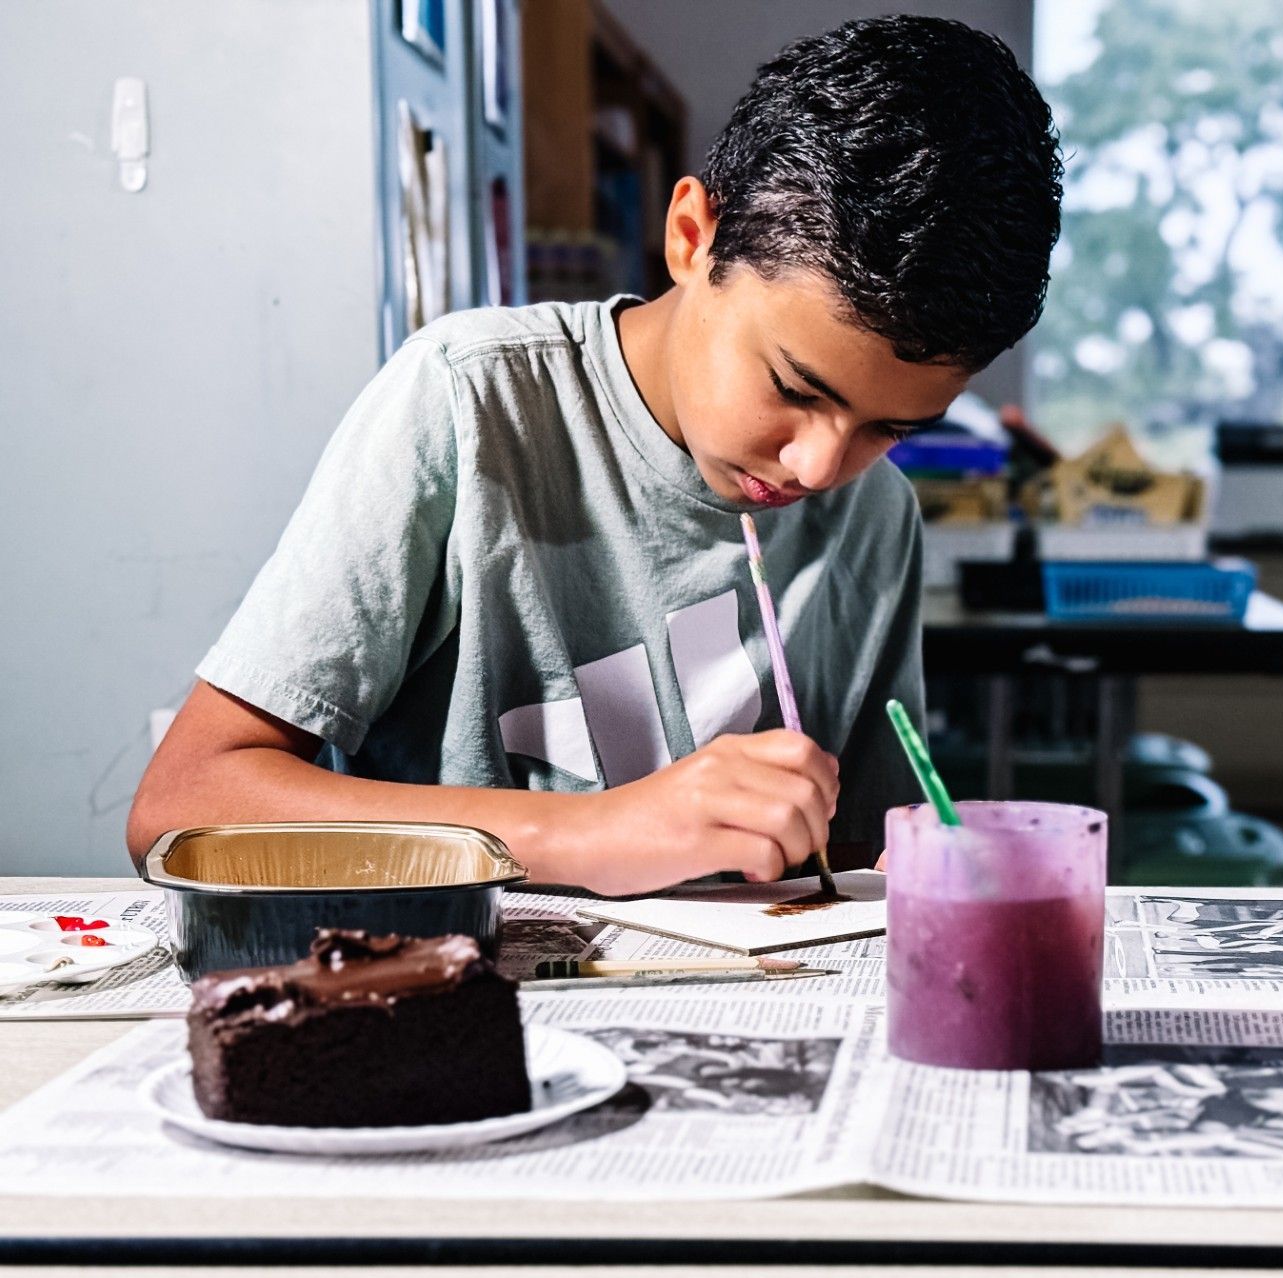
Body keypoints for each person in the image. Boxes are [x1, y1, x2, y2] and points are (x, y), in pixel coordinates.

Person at [125, 17, 1062, 896]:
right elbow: (185, 806)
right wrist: (591, 834)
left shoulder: (875, 519)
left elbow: (852, 870)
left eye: (890, 429)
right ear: (693, 237)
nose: (819, 468)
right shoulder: (469, 402)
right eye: (794, 387)